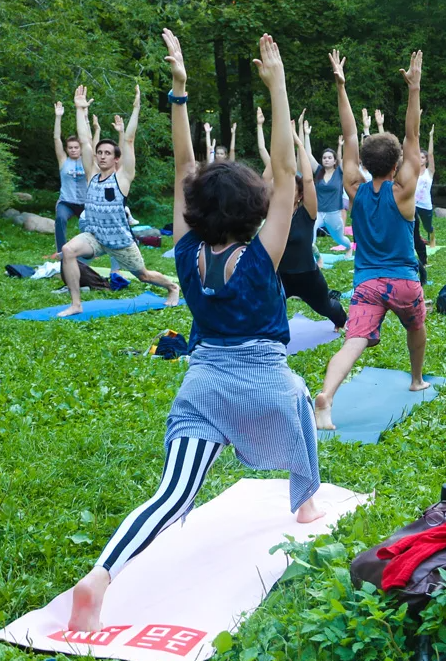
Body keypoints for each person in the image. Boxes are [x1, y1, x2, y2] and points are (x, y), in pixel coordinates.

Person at [66, 31, 323, 634]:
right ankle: (305, 497)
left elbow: (187, 167)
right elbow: (285, 171)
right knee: (302, 402)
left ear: (196, 210)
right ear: (254, 210)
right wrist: (278, 82)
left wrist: (179, 90)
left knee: (172, 494)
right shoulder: (261, 256)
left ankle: (100, 578)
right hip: (265, 388)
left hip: (202, 385)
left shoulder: (184, 252)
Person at [315, 48, 429, 431]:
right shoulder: (403, 191)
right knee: (416, 328)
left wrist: (341, 84)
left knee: (354, 341)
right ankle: (416, 379)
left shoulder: (353, 187)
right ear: (397, 164)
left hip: (367, 283)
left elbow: (349, 132)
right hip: (404, 283)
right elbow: (413, 134)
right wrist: (413, 88)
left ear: (364, 163)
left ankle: (327, 397)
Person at [57, 85, 179, 317]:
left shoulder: (122, 179)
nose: (102, 156)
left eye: (107, 153)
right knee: (68, 250)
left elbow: (130, 140)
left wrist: (136, 108)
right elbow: (84, 141)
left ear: (116, 159)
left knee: (143, 275)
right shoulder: (92, 175)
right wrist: (79, 109)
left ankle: (172, 287)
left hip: (120, 241)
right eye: (99, 153)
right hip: (95, 236)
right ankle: (76, 304)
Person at [279, 114, 347, 329]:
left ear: (300, 195)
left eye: (294, 190)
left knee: (327, 307)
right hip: (279, 275)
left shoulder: (307, 213)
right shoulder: (275, 213)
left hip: (307, 274)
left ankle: (342, 321)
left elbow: (308, 180)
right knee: (265, 308)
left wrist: (299, 143)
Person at [52, 101, 86, 254]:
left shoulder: (87, 160)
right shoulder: (63, 161)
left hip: (85, 203)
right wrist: (58, 117)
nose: (73, 150)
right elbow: (56, 139)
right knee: (60, 219)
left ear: (80, 148)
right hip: (66, 202)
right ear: (67, 149)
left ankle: (88, 250)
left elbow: (88, 139)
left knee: (89, 224)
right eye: (70, 148)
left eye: (76, 147)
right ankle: (61, 251)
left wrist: (84, 114)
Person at [312, 143, 352, 257]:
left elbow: (342, 159)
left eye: (329, 158)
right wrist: (306, 135)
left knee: (339, 238)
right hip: (318, 212)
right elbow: (308, 154)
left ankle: (349, 248)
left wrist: (340, 146)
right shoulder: (319, 171)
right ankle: (313, 256)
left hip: (333, 213)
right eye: (324, 158)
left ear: (335, 161)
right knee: (311, 231)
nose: (326, 160)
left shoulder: (339, 172)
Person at [417, 125, 436, 247]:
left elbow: (431, 154)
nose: (420, 159)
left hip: (425, 204)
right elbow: (413, 147)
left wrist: (431, 136)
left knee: (427, 226)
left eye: (423, 157)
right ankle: (417, 240)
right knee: (412, 224)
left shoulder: (429, 172)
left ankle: (432, 238)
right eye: (418, 157)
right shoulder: (412, 170)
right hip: (413, 204)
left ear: (426, 160)